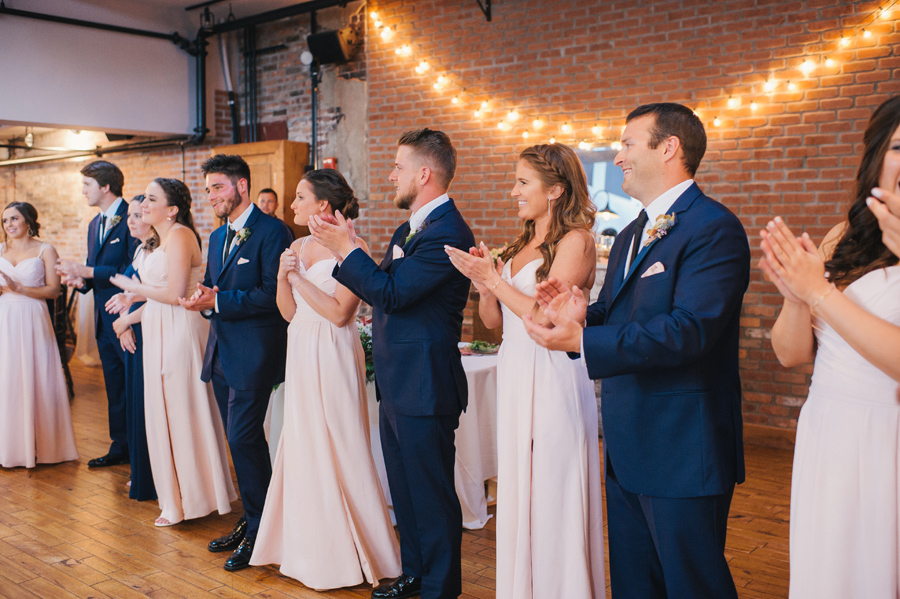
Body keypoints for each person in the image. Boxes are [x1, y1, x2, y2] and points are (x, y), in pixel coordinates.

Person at [523, 103, 750, 599]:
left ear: (669, 148)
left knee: (693, 584)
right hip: (627, 442)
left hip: (682, 446)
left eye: (628, 144)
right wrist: (576, 313)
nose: (619, 156)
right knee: (634, 583)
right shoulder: (630, 233)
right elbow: (612, 310)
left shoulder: (713, 228)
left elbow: (691, 331)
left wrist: (583, 340)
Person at [310, 128, 475, 599]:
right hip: (398, 381)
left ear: (424, 173)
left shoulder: (449, 233)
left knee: (431, 492)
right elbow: (381, 285)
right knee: (404, 489)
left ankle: (441, 589)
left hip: (425, 384)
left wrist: (347, 250)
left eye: (398, 167)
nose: (390, 175)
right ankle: (415, 575)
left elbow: (393, 294)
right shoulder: (409, 229)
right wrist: (355, 251)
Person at [444, 143, 605, 597]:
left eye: (522, 182)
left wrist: (495, 280)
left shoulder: (577, 241)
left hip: (553, 371)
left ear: (555, 190)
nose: (513, 191)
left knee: (552, 483)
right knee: (519, 485)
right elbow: (496, 326)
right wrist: (485, 287)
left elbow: (546, 317)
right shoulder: (520, 243)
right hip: (515, 368)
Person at [760, 95, 900, 598]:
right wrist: (797, 299)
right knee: (828, 566)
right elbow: (790, 354)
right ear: (877, 157)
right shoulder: (845, 236)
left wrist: (819, 291)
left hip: (888, 434)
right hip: (829, 425)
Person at [250, 169, 401, 589]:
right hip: (300, 346)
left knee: (340, 440)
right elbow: (288, 312)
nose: (292, 204)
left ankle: (351, 552)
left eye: (300, 197)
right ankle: (306, 548)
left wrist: (297, 277)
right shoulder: (296, 244)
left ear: (322, 205)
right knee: (302, 441)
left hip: (333, 351)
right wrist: (283, 277)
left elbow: (339, 313)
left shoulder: (352, 247)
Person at [180, 154, 292, 571]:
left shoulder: (271, 231)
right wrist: (204, 304)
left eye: (218, 187)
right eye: (208, 189)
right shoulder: (216, 236)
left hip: (255, 354)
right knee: (239, 441)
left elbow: (272, 295)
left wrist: (220, 300)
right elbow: (215, 289)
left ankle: (261, 528)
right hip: (222, 351)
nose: (211, 196)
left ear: (242, 186)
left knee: (243, 437)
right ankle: (251, 519)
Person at [111, 178, 236, 526]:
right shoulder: (160, 239)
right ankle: (175, 497)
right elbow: (159, 292)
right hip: (157, 325)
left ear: (172, 209)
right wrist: (135, 300)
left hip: (181, 329)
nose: (144, 205)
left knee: (183, 409)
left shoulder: (180, 235)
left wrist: (134, 288)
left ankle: (197, 497)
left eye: (152, 199)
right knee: (162, 410)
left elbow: (178, 295)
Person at [57, 160, 137, 468]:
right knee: (114, 386)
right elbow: (97, 274)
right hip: (104, 319)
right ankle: (121, 446)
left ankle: (140, 448)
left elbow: (131, 269)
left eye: (87, 185)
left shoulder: (132, 216)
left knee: (132, 385)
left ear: (105, 186)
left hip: (128, 315)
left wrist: (88, 270)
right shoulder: (94, 224)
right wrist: (81, 281)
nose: (83, 191)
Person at [0, 202, 79, 468]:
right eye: (5, 220)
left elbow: (53, 291)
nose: (9, 225)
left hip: (33, 316)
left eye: (14, 219)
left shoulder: (45, 249)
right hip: (5, 318)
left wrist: (19, 288)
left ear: (29, 221)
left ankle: (42, 446)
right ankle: (9, 447)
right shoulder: (0, 250)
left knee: (37, 377)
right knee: (7, 378)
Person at [105, 195, 158, 501]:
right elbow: (132, 290)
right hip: (136, 326)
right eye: (130, 216)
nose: (132, 220)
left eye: (139, 214)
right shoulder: (140, 249)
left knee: (146, 403)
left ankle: (149, 474)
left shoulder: (160, 250)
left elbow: (158, 294)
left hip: (151, 326)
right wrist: (125, 320)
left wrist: (127, 321)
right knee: (136, 403)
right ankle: (142, 472)